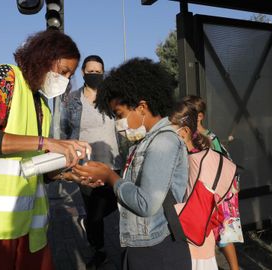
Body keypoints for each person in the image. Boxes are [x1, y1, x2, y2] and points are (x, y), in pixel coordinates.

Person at [0, 29, 91, 270]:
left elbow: (29, 167)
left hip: (28, 228)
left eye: (70, 74)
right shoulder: (5, 77)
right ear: (44, 58)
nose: (66, 79)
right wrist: (47, 143)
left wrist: (69, 173)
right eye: (64, 71)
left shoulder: (42, 105)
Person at [73, 58, 191, 270]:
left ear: (142, 107)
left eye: (119, 115)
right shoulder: (145, 142)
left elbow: (145, 204)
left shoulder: (163, 141)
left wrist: (110, 176)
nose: (118, 125)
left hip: (157, 250)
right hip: (143, 245)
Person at [60, 55, 121, 267]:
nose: (95, 75)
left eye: (99, 71)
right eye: (91, 71)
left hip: (114, 162)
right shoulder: (72, 100)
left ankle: (92, 226)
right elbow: (64, 130)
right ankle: (99, 249)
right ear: (83, 72)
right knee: (95, 212)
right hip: (86, 166)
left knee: (114, 204)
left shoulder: (112, 98)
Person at [183, 95, 243, 270]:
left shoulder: (208, 138)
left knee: (223, 235)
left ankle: (234, 268)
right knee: (207, 233)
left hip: (219, 193)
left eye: (187, 115)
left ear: (199, 116)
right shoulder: (189, 136)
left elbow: (222, 165)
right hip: (204, 192)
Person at [169, 101, 219, 270]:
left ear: (183, 132)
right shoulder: (200, 155)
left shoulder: (194, 159)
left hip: (195, 230)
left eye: (169, 132)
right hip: (197, 229)